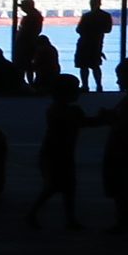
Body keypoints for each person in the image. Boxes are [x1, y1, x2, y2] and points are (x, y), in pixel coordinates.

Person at [90, 56, 128, 232]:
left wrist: (107, 118)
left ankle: (125, 218)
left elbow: (125, 120)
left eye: (121, 77)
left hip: (124, 144)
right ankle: (125, 217)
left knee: (119, 182)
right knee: (122, 180)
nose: (118, 81)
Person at [24, 74, 85, 231]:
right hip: (56, 154)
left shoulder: (56, 109)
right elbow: (82, 123)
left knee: (62, 187)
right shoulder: (65, 111)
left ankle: (68, 219)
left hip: (57, 153)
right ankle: (35, 214)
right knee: (57, 186)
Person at [74, 0, 113, 94]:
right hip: (97, 43)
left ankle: (85, 86)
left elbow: (78, 29)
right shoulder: (106, 15)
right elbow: (108, 30)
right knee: (95, 66)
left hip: (84, 43)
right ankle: (99, 86)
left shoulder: (86, 16)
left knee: (83, 66)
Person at [13, 0, 46, 90]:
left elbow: (24, 31)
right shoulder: (36, 15)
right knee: (28, 66)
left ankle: (27, 84)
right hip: (30, 42)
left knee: (24, 65)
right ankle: (30, 84)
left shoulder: (30, 17)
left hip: (26, 44)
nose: (22, 9)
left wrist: (18, 36)